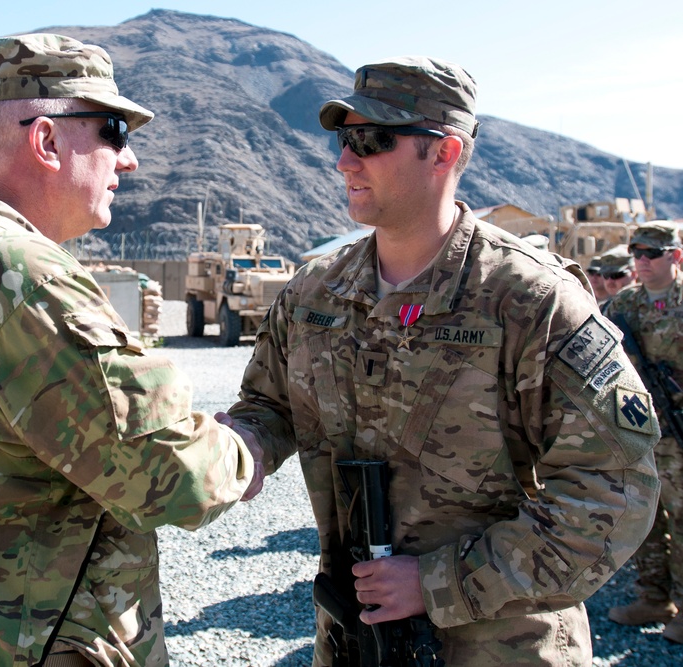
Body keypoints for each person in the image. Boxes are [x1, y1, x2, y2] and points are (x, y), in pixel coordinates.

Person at [224, 57, 661, 666]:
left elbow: (613, 492)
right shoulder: (314, 292)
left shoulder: (529, 301)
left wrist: (438, 581)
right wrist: (240, 448)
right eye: (344, 139)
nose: (345, 160)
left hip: (496, 646)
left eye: (371, 140)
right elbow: (268, 406)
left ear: (445, 151)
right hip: (356, 638)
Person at [0, 33, 262, 667]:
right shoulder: (18, 273)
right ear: (47, 141)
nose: (130, 160)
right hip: (40, 644)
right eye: (114, 131)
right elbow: (173, 479)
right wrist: (246, 448)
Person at [603, 222, 683, 643]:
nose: (643, 260)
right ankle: (653, 597)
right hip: (639, 429)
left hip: (680, 433)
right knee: (645, 518)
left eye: (653, 251)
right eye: (637, 252)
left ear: (676, 256)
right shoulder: (624, 306)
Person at [597, 244, 636, 310]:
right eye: (606, 275)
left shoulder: (646, 304)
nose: (610, 281)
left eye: (616, 275)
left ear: (633, 274)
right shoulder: (603, 309)